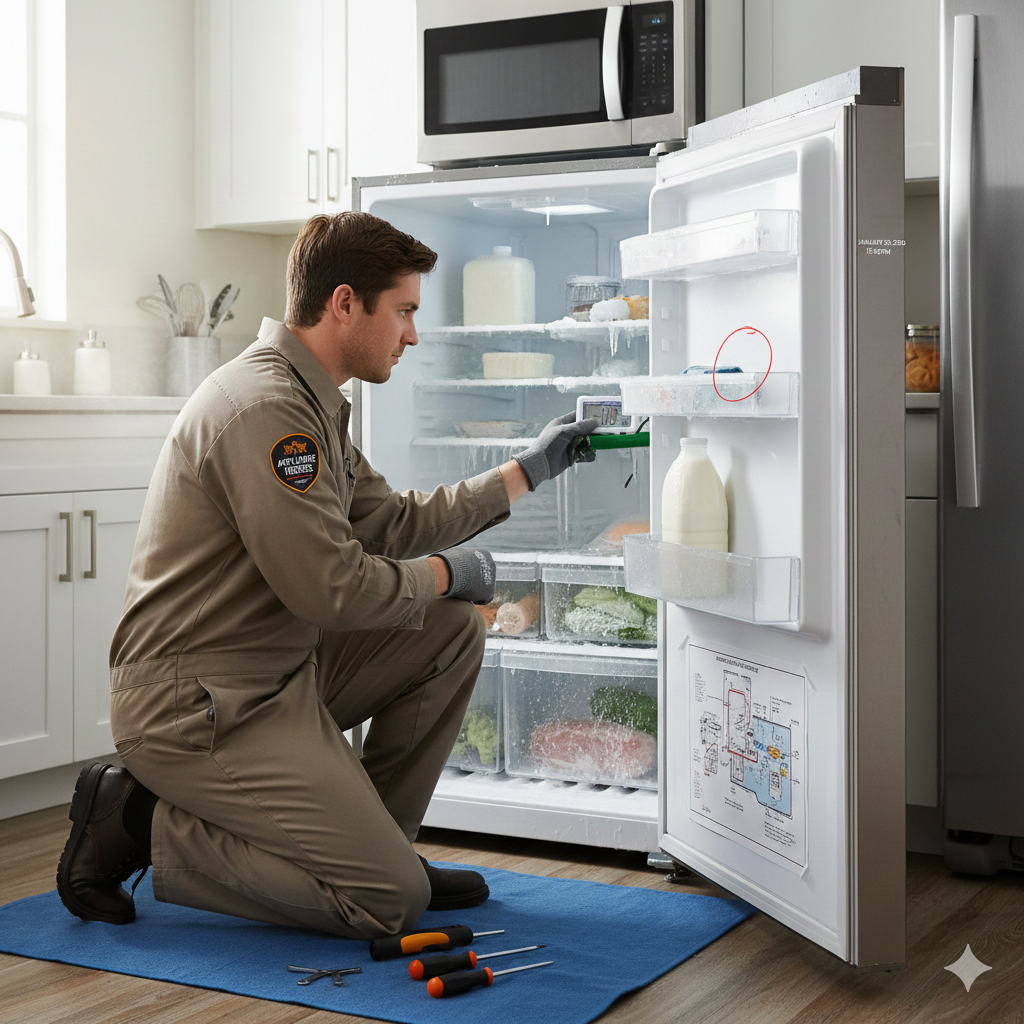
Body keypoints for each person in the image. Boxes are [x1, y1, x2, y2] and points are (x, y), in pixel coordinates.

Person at [55, 211, 597, 939]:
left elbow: (394, 523)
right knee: (387, 905)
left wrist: (528, 470)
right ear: (345, 303)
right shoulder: (266, 410)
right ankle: (138, 821)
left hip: (275, 674)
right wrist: (444, 572)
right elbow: (333, 590)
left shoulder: (310, 402)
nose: (412, 335)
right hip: (196, 706)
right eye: (404, 311)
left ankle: (376, 849)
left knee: (448, 629)